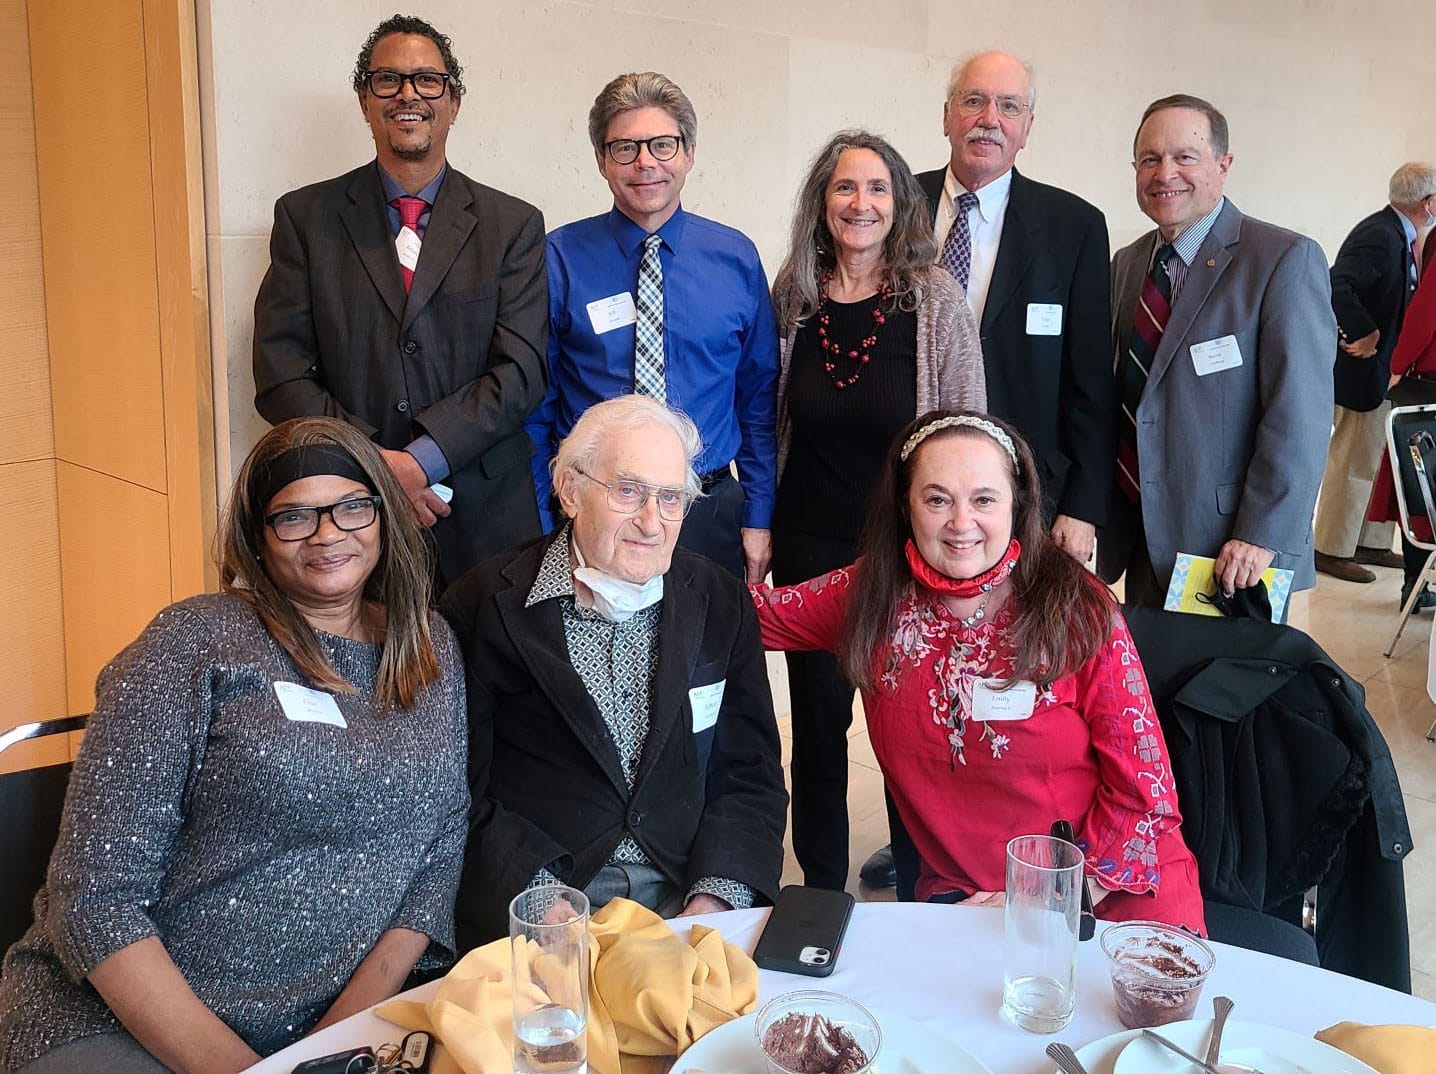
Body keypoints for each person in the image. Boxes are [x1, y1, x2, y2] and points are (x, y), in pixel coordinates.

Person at [0, 418, 469, 1073]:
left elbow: (433, 868)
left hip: (324, 1031)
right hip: (119, 1023)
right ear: (257, 539)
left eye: (351, 506)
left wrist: (329, 1049)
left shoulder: (429, 647)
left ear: (384, 515)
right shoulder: (193, 642)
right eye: (294, 517)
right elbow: (93, 901)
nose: (329, 533)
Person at [751, 411, 1205, 929]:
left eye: (984, 499)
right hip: (969, 906)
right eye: (937, 499)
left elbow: (1147, 798)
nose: (961, 523)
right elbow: (744, 615)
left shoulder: (1079, 610)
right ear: (906, 506)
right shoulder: (870, 597)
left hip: (1109, 894)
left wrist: (1052, 896)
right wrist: (650, 540)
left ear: (1018, 503)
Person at [443, 395, 787, 949]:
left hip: (687, 894)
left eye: (671, 498)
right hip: (549, 904)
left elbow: (750, 772)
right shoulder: (481, 607)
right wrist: (539, 904)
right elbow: (458, 793)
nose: (652, 522)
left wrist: (714, 904)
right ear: (571, 490)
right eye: (628, 491)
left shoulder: (720, 602)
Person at [253, 14, 548, 589]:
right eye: (387, 80)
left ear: (454, 102)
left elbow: (522, 372)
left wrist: (422, 461)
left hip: (483, 513)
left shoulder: (513, 224)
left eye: (427, 80)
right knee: (358, 675)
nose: (408, 94)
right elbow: (280, 371)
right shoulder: (305, 218)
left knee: (486, 674)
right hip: (342, 512)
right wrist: (376, 468)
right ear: (365, 101)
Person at [768, 128, 984, 891]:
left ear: (901, 204)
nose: (860, 204)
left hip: (902, 555)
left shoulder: (936, 302)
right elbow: (770, 421)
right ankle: (822, 892)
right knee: (819, 737)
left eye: (877, 189)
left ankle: (922, 887)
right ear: (822, 203)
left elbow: (967, 430)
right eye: (844, 188)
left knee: (909, 734)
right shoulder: (794, 297)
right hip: (807, 542)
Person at [526, 71, 779, 583]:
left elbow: (757, 400)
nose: (646, 163)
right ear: (601, 160)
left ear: (688, 153)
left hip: (707, 511)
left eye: (662, 145)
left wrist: (757, 516)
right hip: (595, 507)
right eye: (625, 148)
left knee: (703, 661)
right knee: (594, 658)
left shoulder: (736, 258)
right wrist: (539, 516)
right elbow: (536, 406)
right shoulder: (558, 258)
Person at [1100, 94, 1334, 610]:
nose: (1165, 174)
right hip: (1142, 531)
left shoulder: (1282, 260)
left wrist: (1262, 532)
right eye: (1149, 159)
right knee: (1151, 686)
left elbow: (1301, 415)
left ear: (1223, 166)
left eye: (1185, 156)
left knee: (1221, 689)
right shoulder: (1126, 265)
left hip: (1233, 551)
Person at [917, 50, 1115, 563]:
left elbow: (1090, 384)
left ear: (1027, 127)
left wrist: (1083, 506)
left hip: (1027, 494)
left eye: (1009, 106)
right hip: (909, 482)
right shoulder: (895, 204)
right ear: (946, 116)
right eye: (974, 101)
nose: (989, 119)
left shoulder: (1075, 227)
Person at [1314, 162, 1436, 585]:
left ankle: (1370, 541)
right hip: (1361, 370)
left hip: (1385, 373)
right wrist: (1364, 332)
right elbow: (1336, 284)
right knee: (1351, 460)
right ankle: (1330, 548)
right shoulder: (1380, 234)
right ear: (1427, 202)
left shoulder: (1401, 235)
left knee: (1375, 458)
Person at [1366, 218, 1436, 607]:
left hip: (1426, 384)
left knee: (1419, 489)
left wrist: (1396, 366)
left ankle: (1417, 584)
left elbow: (1425, 313)